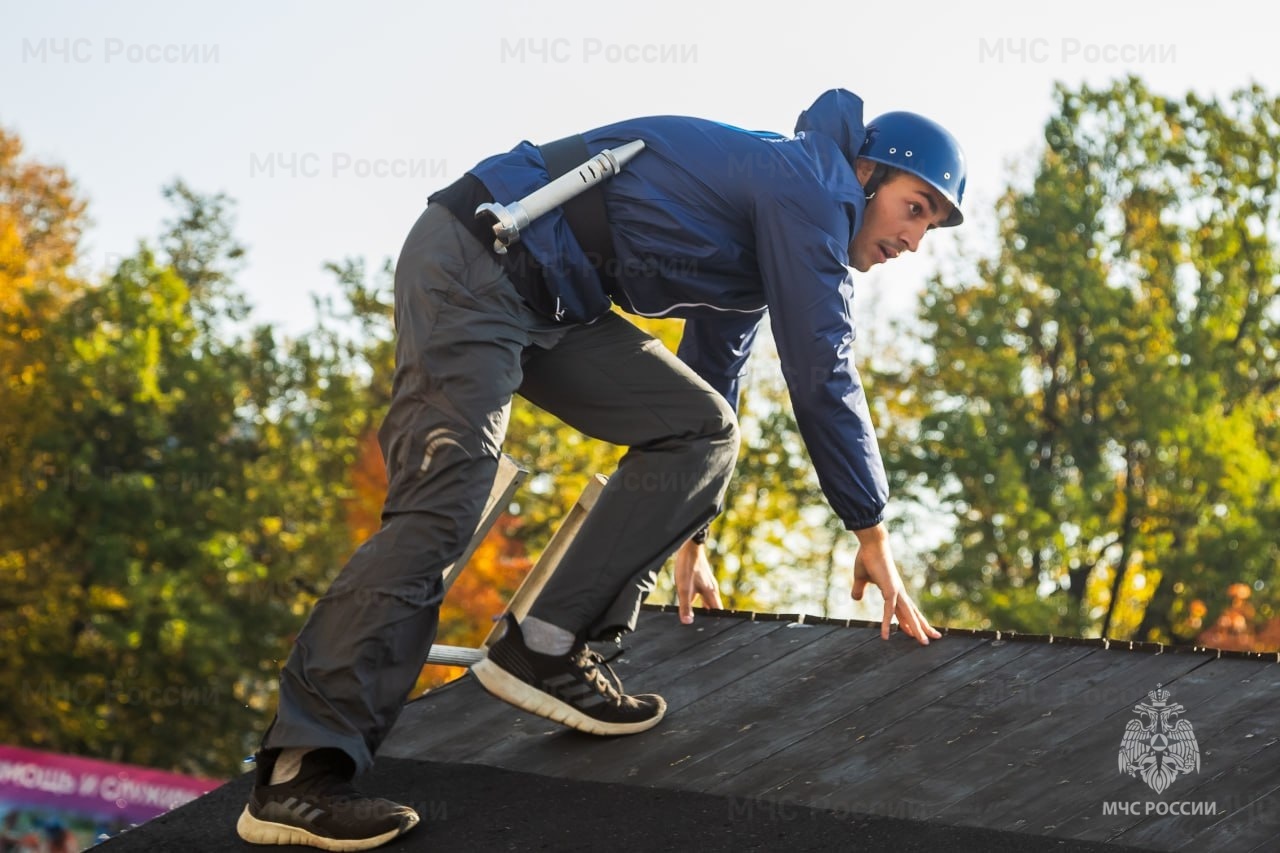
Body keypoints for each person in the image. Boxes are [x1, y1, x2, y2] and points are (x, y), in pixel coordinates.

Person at [237, 88, 964, 850]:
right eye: (915, 209)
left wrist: (690, 532)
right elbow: (823, 372)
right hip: (478, 259)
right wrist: (870, 527)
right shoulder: (810, 189)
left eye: (933, 228)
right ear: (866, 174)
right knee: (443, 509)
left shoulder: (782, 219)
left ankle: (546, 646)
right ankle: (299, 774)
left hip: (557, 305)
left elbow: (717, 366)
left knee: (703, 429)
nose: (915, 240)